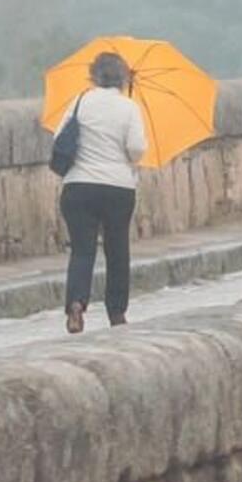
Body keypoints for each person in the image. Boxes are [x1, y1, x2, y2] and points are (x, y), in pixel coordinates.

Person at [53, 51, 149, 333]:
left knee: (82, 250)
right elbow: (136, 149)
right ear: (123, 78)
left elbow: (60, 139)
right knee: (117, 250)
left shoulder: (79, 102)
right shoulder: (129, 107)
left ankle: (76, 306)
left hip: (78, 187)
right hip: (118, 189)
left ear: (94, 76)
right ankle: (116, 312)